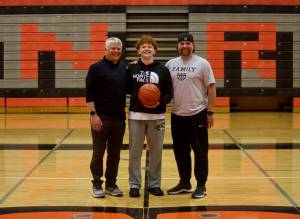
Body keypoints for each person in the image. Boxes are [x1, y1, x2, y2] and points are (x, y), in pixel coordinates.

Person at [165, 33, 216, 199]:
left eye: (188, 43)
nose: (184, 46)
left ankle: (201, 185)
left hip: (198, 113)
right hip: (177, 114)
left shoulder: (202, 63)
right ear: (177, 46)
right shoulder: (170, 64)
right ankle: (185, 183)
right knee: (180, 151)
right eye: (181, 43)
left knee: (200, 152)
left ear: (193, 45)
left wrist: (210, 111)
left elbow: (211, 88)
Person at [127, 35, 173, 197]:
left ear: (155, 50)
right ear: (138, 51)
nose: (147, 48)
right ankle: (134, 184)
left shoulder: (163, 70)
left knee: (156, 152)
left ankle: (154, 184)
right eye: (143, 46)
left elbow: (169, 93)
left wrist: (159, 103)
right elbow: (125, 89)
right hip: (135, 116)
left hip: (157, 117)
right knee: (134, 152)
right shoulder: (131, 68)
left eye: (150, 46)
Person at [85, 37, 127, 198]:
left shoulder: (124, 68)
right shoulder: (96, 68)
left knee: (114, 154)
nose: (116, 51)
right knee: (98, 153)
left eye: (118, 48)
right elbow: (89, 93)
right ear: (106, 50)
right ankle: (97, 184)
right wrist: (93, 114)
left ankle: (111, 184)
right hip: (101, 118)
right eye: (112, 48)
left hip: (119, 118)